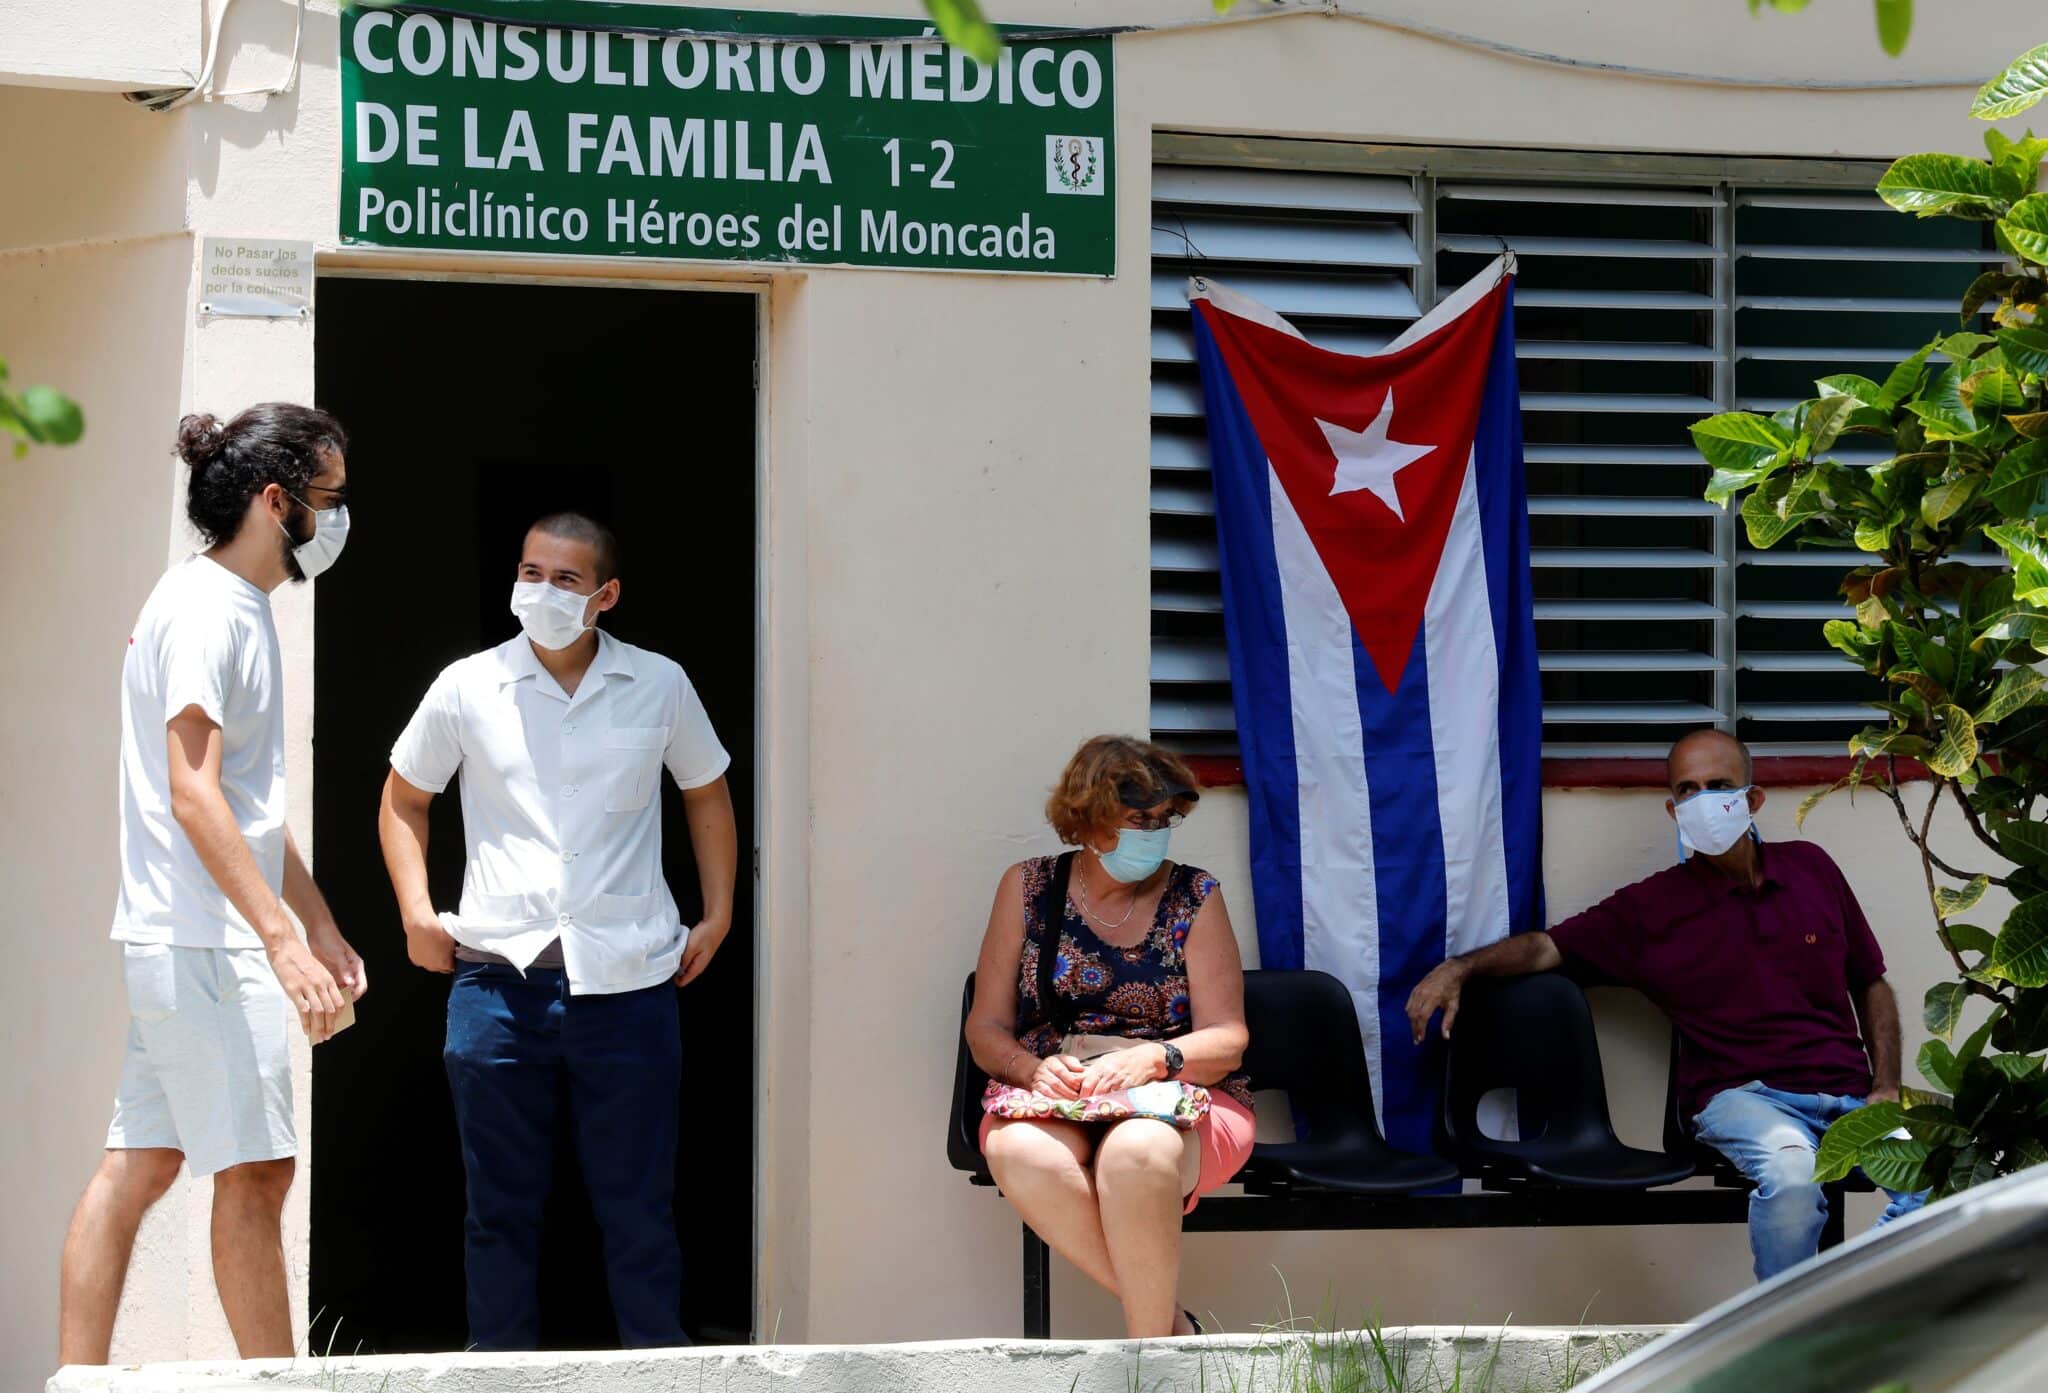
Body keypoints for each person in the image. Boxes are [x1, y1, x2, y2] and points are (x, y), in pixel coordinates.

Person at [377, 511, 737, 1351]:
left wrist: (719, 911)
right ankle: (496, 1369)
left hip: (630, 984)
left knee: (639, 1207)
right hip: (497, 985)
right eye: (531, 572)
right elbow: (404, 797)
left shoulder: (659, 683)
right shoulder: (469, 684)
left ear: (605, 595)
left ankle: (660, 1369)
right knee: (497, 1209)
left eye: (565, 579)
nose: (540, 591)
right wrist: (415, 912)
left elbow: (706, 790)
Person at [59, 406, 368, 1365]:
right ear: (276, 502)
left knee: (141, 1163)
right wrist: (276, 938)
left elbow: (243, 808)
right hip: (202, 945)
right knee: (259, 1173)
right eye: (331, 498)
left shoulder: (229, 605)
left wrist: (315, 922)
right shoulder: (204, 611)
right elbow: (193, 794)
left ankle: (77, 1380)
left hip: (185, 936)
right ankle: (279, 1386)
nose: (340, 517)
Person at [1405, 727, 1926, 1283]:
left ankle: (1860, 1308)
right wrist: (1459, 967)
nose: (1703, 800)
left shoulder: (1812, 869)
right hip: (1744, 1099)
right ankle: (1788, 1338)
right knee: (1794, 1177)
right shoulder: (1652, 911)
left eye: (1718, 785)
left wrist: (1886, 1087)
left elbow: (1872, 983)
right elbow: (1545, 948)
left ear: (1751, 799)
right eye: (1688, 789)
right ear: (1674, 810)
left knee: (1937, 1177)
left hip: (1851, 1097)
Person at [965, 736, 1252, 1339]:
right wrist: (1029, 1068)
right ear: (1090, 821)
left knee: (1136, 1152)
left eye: (1165, 820)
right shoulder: (1028, 889)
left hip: (1176, 1092)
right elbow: (985, 1029)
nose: (1157, 833)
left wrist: (1157, 1058)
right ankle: (1175, 1332)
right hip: (1061, 1089)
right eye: (1139, 819)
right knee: (1018, 1151)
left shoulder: (1194, 895)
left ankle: (1153, 1358)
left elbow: (1228, 1040)